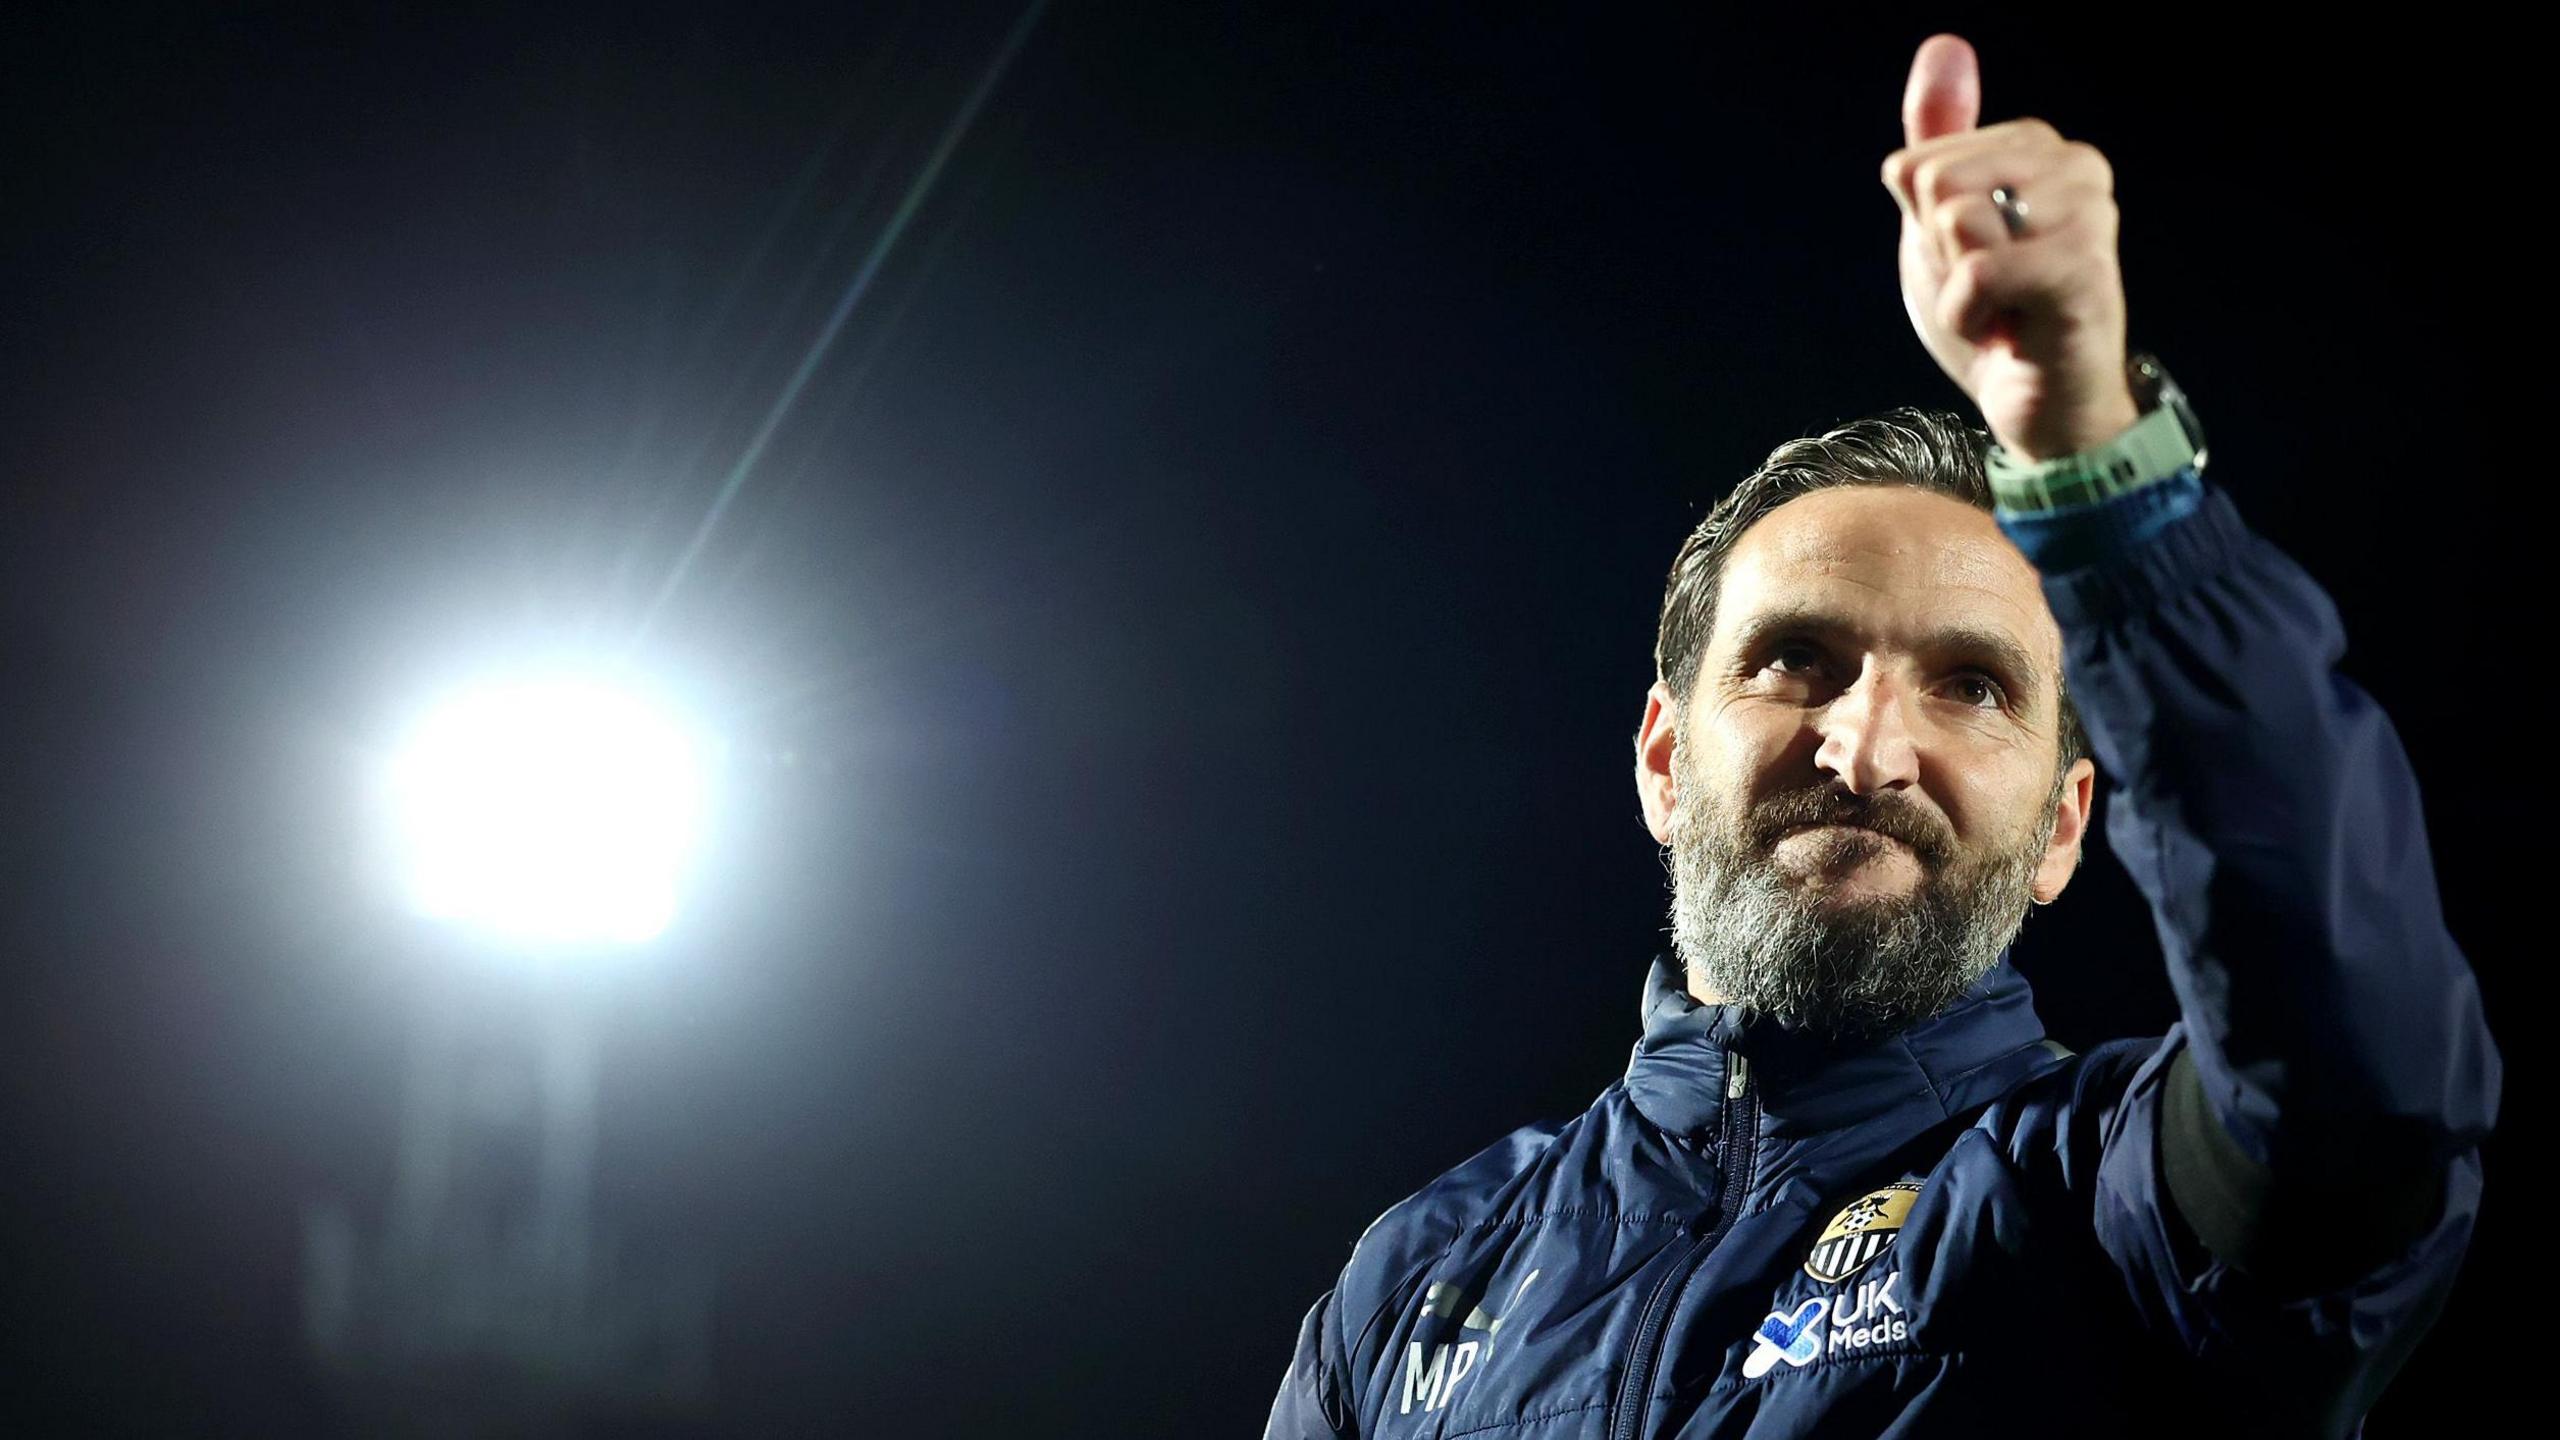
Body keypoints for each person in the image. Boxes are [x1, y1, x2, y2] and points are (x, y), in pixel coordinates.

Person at [1263, 33, 2498, 1439]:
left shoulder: (2108, 1202)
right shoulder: (1416, 1280)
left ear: (2064, 828)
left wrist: (2096, 460)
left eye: (1972, 685)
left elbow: (2361, 1080)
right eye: (1798, 659)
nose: (1866, 749)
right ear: (1666, 758)